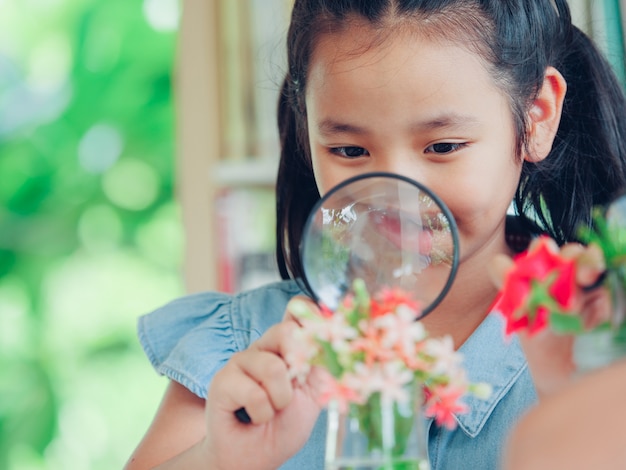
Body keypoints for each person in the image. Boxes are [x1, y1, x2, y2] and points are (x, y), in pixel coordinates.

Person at [124, 0, 626, 469]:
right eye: (349, 151)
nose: (397, 196)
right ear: (307, 131)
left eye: (443, 146)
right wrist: (220, 457)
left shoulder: (596, 341)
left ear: (536, 117)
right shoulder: (244, 354)